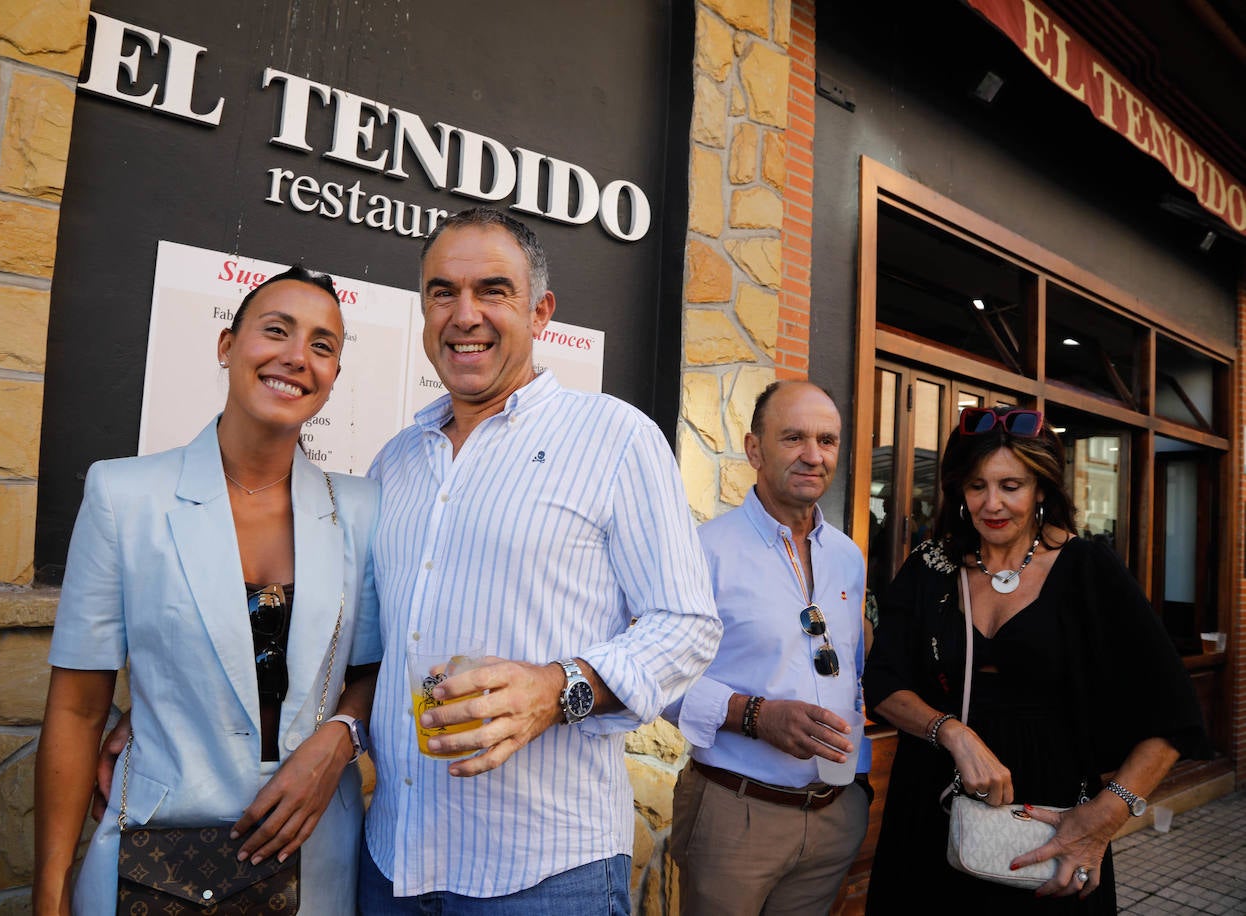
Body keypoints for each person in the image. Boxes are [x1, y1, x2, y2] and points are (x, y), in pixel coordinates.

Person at [357, 207, 722, 912]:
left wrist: (561, 688)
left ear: (540, 311)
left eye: (492, 290)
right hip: (394, 861)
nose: (465, 315)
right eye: (442, 292)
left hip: (546, 874)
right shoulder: (395, 461)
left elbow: (687, 623)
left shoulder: (615, 436)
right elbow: (366, 643)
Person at [33, 266, 380, 915]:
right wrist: (49, 893)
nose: (296, 357)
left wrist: (339, 737)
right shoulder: (124, 497)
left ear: (334, 375)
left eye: (322, 345)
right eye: (276, 330)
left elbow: (375, 669)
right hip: (156, 866)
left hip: (315, 866)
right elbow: (79, 710)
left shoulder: (364, 511)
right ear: (227, 346)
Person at [863, 406, 1212, 913]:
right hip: (932, 811)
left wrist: (1104, 819)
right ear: (960, 490)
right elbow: (882, 681)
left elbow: (1175, 716)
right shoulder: (930, 566)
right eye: (978, 485)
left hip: (1053, 826)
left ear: (1042, 489)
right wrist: (952, 732)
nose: (992, 503)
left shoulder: (1088, 570)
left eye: (1012, 485)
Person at [666, 381, 871, 916]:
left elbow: (850, 671)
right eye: (793, 438)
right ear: (754, 449)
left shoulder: (848, 557)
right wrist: (755, 715)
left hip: (832, 815)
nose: (813, 455)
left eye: (827, 440)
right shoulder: (703, 552)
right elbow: (657, 678)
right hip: (737, 816)